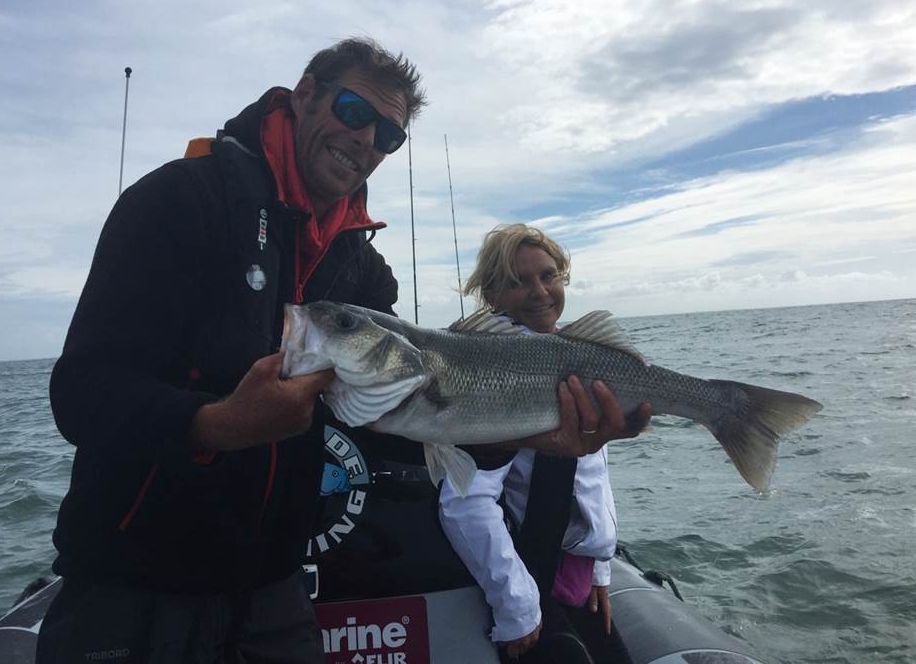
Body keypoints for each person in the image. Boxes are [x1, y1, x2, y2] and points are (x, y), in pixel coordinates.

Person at [38, 38, 644, 664]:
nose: (366, 141)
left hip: (275, 586)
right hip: (134, 586)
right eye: (354, 111)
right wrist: (217, 425)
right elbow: (82, 394)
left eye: (389, 135)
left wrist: (508, 438)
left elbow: (378, 426)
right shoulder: (177, 201)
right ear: (305, 94)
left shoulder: (364, 273)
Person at [439, 224, 651, 664]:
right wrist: (516, 606)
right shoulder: (489, 365)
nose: (540, 291)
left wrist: (600, 566)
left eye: (549, 276)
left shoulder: (582, 357)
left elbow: (593, 480)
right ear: (492, 296)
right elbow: (466, 501)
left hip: (577, 573)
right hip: (527, 569)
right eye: (519, 282)